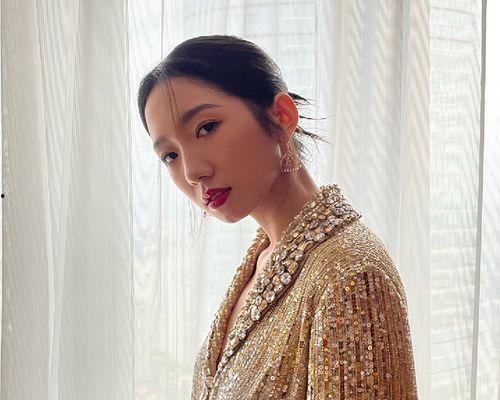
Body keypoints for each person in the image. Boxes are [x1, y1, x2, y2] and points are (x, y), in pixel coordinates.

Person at [137, 34, 419, 400]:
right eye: (170, 156)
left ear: (281, 116)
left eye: (206, 128)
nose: (192, 172)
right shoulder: (265, 256)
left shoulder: (350, 276)